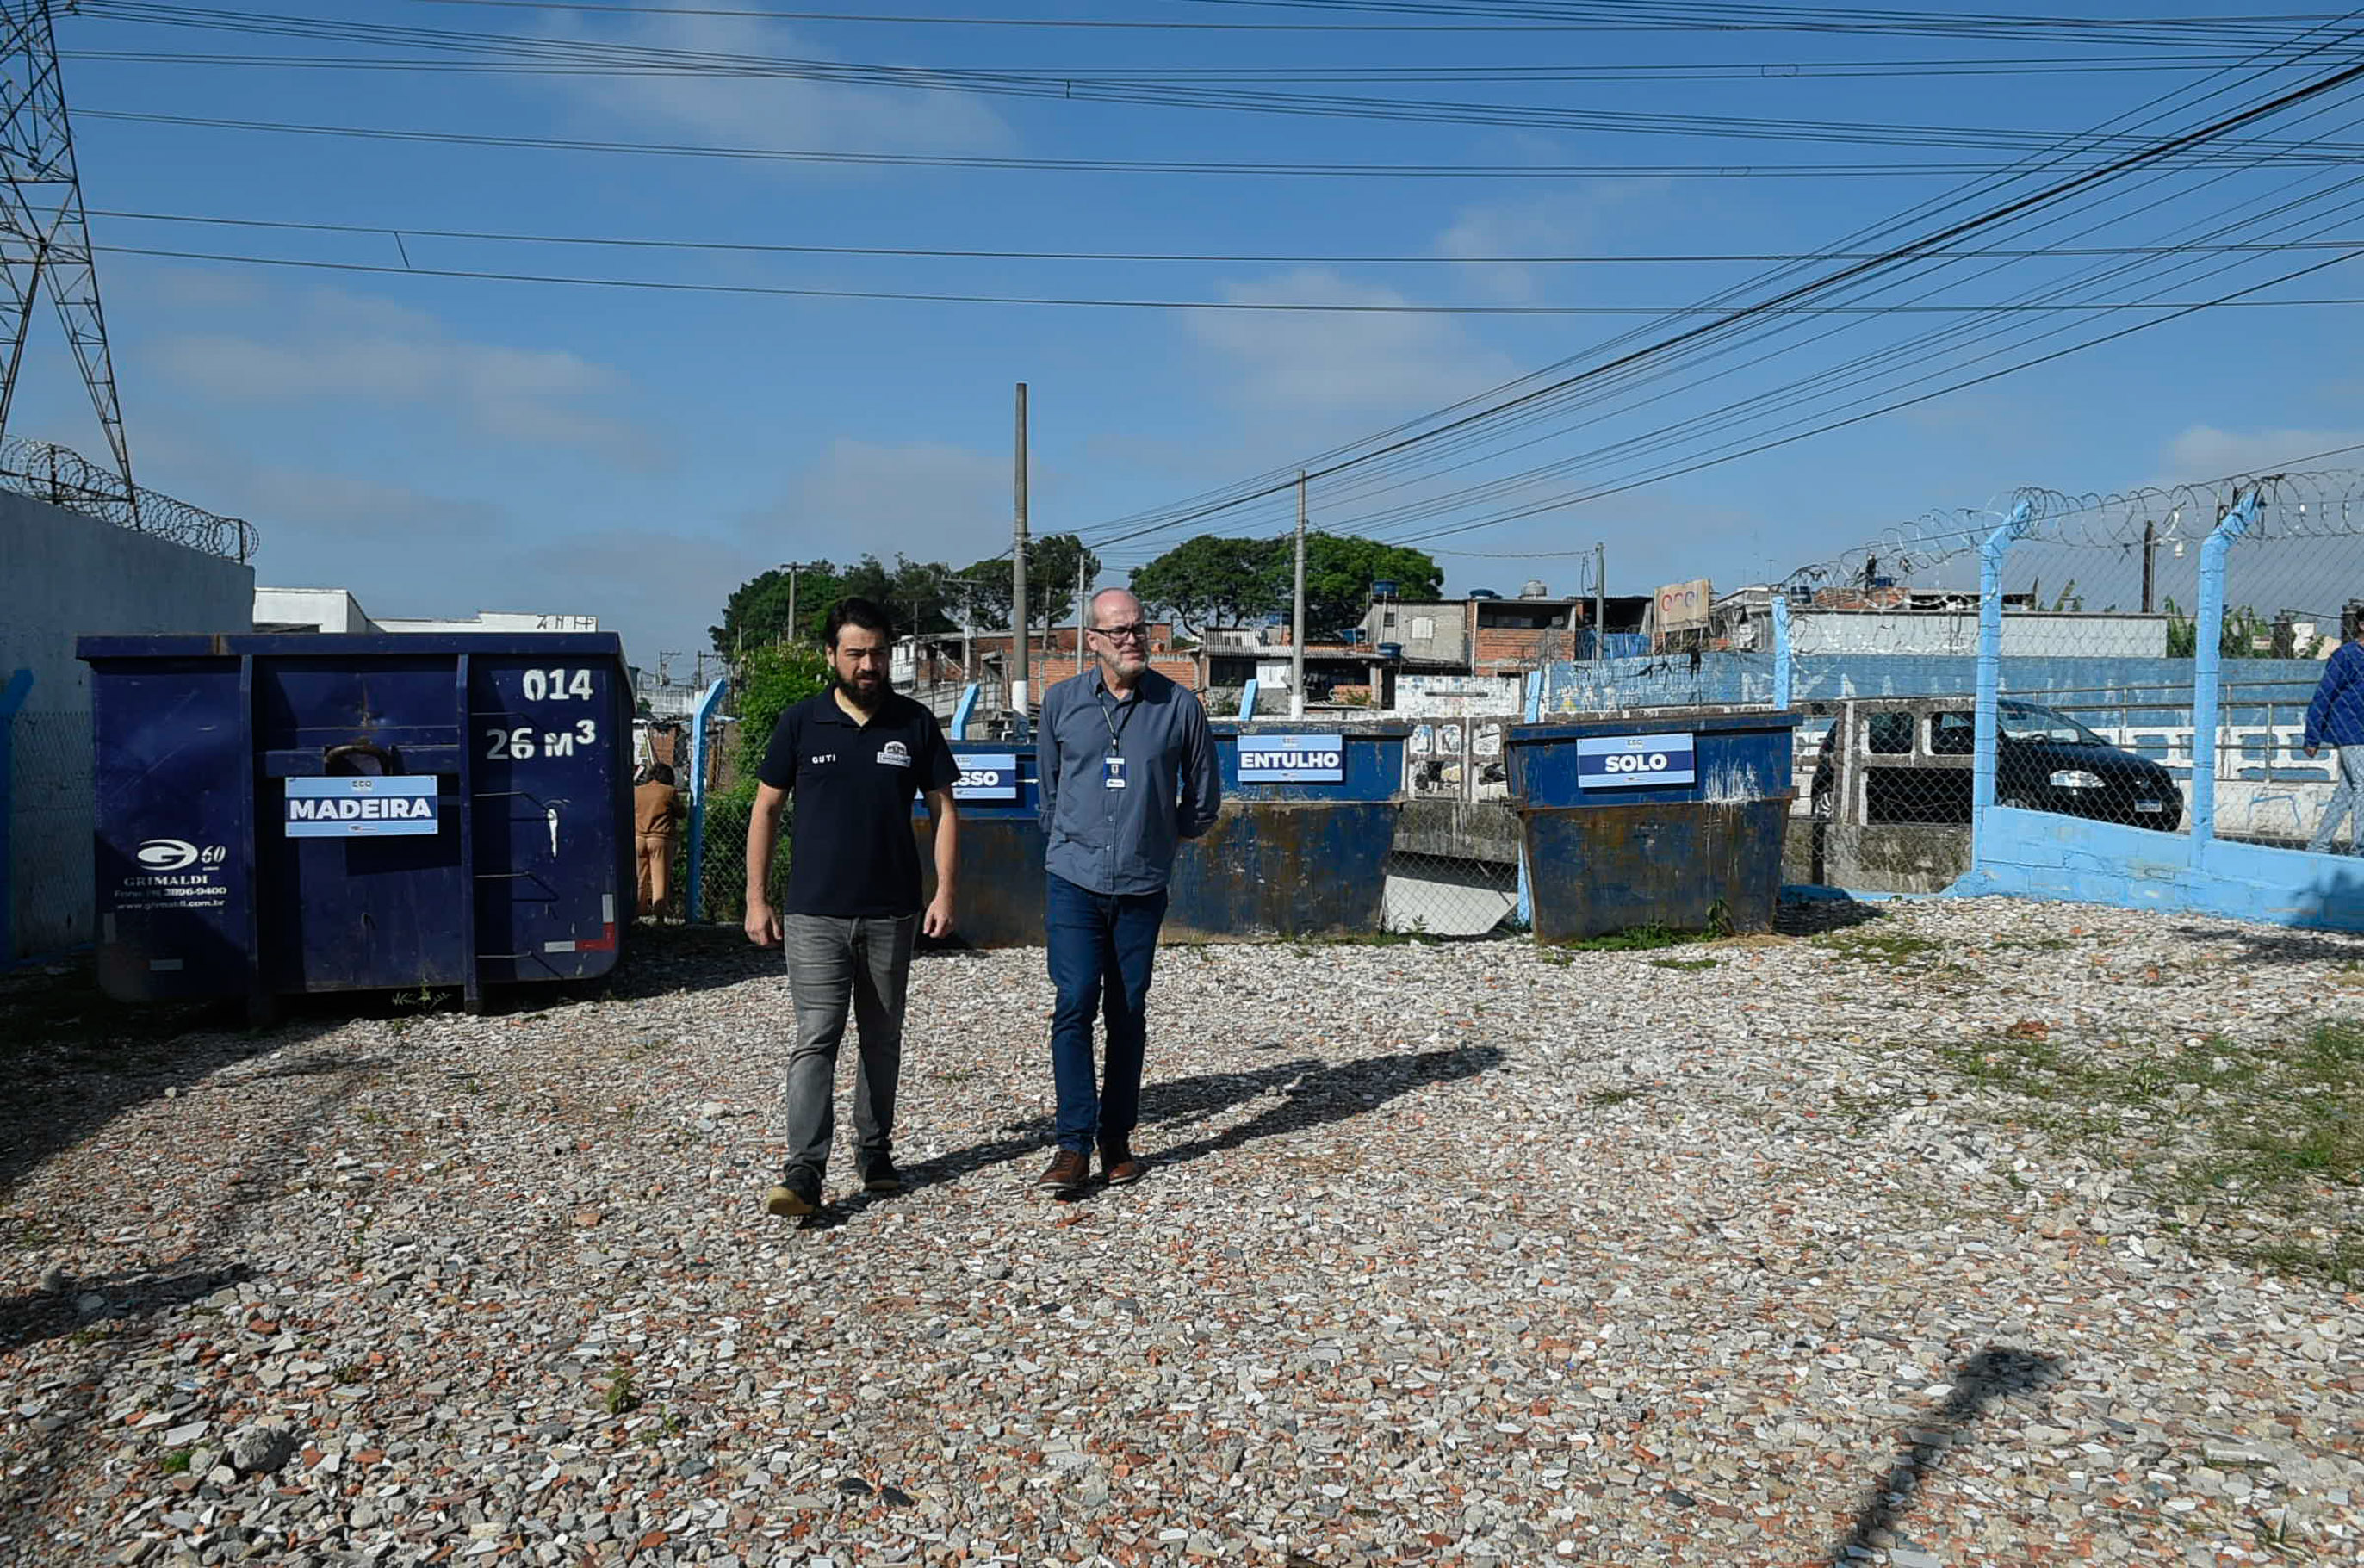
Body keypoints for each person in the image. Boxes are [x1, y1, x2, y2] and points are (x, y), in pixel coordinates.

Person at [744, 597, 959, 1218]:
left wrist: (945, 891)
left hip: (892, 910)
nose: (868, 665)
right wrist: (756, 899)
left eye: (878, 653)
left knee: (882, 1038)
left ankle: (874, 1151)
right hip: (814, 912)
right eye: (855, 653)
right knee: (817, 1035)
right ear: (831, 656)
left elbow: (945, 810)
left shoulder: (914, 722)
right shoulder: (801, 722)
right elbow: (765, 808)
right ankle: (804, 1171)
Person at [1033, 586, 1221, 1197]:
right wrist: (1072, 841)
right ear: (1092, 640)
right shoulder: (1061, 702)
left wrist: (1159, 838)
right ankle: (1071, 1145)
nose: (1132, 639)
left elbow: (1203, 797)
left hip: (1142, 884)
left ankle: (1116, 1140)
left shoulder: (1179, 706)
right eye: (1118, 630)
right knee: (1074, 1002)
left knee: (1128, 1009)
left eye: (1138, 628)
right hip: (1073, 879)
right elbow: (1049, 792)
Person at [2305, 615, 2364, 855]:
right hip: (2350, 730)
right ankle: (2360, 850)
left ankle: (2318, 846)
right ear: (2362, 625)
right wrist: (2312, 735)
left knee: (2347, 791)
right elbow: (2324, 693)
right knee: (2363, 784)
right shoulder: (2346, 655)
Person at [634, 761, 683, 919]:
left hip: (638, 838)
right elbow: (681, 813)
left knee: (640, 878)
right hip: (660, 838)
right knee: (660, 878)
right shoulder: (669, 791)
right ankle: (659, 916)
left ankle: (638, 913)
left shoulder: (637, 791)